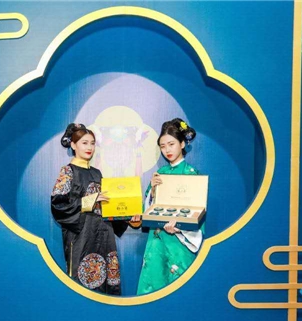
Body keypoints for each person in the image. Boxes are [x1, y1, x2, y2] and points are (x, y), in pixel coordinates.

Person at [51, 123, 127, 295]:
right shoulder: (68, 171)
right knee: (83, 286)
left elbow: (106, 206)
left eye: (92, 143)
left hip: (104, 234)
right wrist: (90, 200)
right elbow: (58, 205)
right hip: (82, 237)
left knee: (107, 286)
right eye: (84, 143)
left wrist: (126, 215)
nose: (89, 147)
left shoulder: (97, 173)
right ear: (73, 145)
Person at [136, 118, 204, 295]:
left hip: (179, 241)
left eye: (171, 144)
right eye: (163, 146)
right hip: (157, 240)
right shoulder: (160, 174)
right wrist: (152, 191)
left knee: (177, 288)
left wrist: (180, 227)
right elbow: (148, 210)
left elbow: (198, 213)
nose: (167, 150)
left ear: (182, 144)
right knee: (154, 282)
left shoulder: (192, 174)